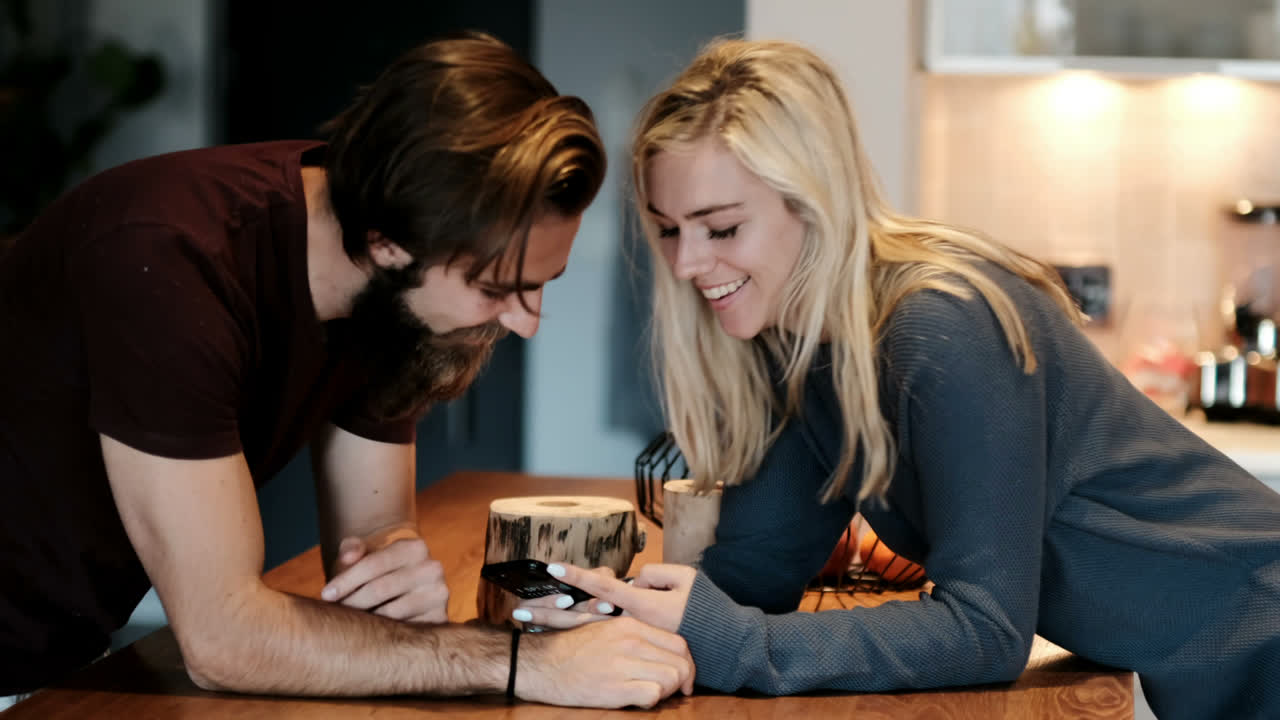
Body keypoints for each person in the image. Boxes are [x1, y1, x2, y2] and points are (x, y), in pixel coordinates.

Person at [513, 39, 1280, 719]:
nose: (685, 265)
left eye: (721, 228)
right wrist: (623, 621)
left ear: (812, 203)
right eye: (670, 229)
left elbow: (986, 632)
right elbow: (756, 575)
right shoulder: (794, 345)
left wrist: (728, 638)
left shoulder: (937, 327)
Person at [0, 31, 693, 710]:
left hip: (64, 651)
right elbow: (223, 636)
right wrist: (522, 663)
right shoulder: (168, 263)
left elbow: (371, 538)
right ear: (385, 243)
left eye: (543, 283)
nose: (526, 321)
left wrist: (397, 576)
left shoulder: (389, 296)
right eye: (494, 287)